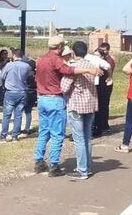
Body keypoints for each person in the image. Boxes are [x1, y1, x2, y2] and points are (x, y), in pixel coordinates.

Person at [34, 36, 100, 177]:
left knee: (44, 131)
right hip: (55, 98)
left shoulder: (40, 60)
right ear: (59, 47)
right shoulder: (56, 60)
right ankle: (54, 164)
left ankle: (39, 160)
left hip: (42, 98)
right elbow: (69, 71)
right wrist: (88, 70)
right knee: (58, 134)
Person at [61, 41, 98, 180]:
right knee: (87, 137)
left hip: (76, 104)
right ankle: (87, 167)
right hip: (90, 104)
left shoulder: (74, 67)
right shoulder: (91, 65)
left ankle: (82, 170)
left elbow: (64, 87)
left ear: (73, 52)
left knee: (79, 139)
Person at [0, 49, 33, 142]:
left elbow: (2, 76)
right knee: (18, 115)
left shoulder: (9, 65)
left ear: (14, 56)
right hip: (22, 91)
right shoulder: (27, 66)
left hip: (10, 92)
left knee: (7, 115)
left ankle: (3, 136)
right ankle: (15, 136)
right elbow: (30, 77)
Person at [92, 43, 115, 137]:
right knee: (99, 107)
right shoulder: (99, 59)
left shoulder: (109, 60)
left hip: (106, 85)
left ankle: (103, 126)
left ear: (108, 50)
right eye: (101, 50)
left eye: (104, 50)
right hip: (100, 85)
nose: (102, 51)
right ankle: (102, 125)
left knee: (103, 106)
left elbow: (108, 68)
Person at [23, 57, 37, 136]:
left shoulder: (26, 74)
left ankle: (18, 128)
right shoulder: (36, 74)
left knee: (20, 111)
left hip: (26, 92)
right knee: (28, 111)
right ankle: (27, 128)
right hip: (33, 93)